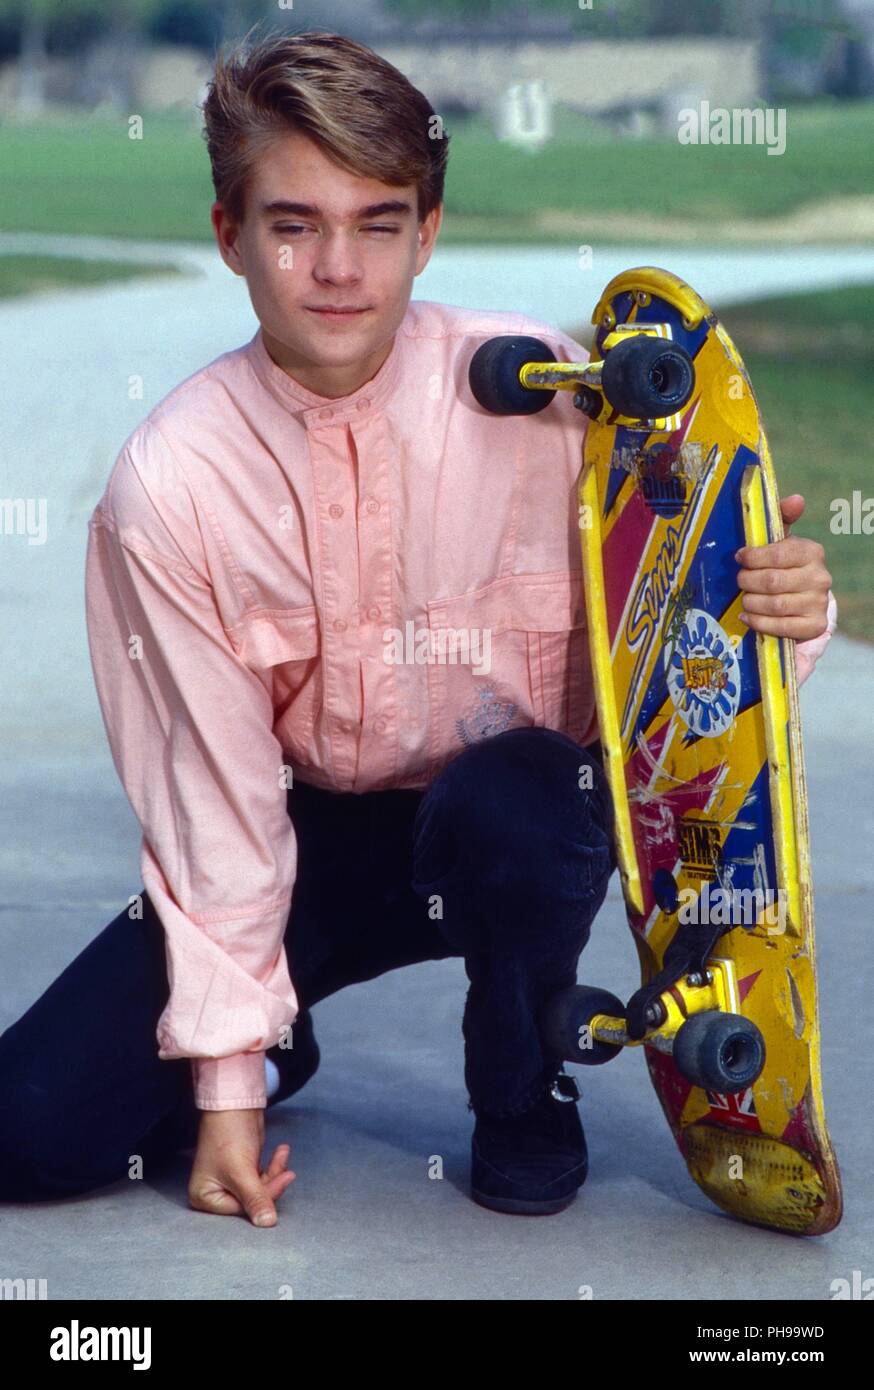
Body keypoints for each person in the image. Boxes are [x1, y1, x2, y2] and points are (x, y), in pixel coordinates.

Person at [0, 29, 836, 1226]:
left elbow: (691, 666)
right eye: (293, 225)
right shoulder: (173, 482)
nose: (338, 267)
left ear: (426, 232)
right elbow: (215, 809)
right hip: (308, 847)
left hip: (516, 826)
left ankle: (521, 1089)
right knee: (27, 1128)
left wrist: (786, 610)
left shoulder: (563, 397)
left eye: (378, 223)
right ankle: (283, 1032)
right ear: (230, 235)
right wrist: (229, 1085)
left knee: (523, 794)